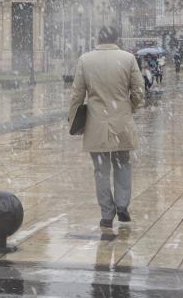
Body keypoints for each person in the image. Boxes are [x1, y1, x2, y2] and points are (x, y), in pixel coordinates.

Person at [67, 26, 145, 229]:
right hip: (121, 121)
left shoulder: (86, 60)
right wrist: (130, 108)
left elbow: (77, 95)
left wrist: (73, 119)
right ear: (117, 38)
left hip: (96, 123)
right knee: (123, 165)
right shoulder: (128, 59)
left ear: (98, 38)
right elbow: (138, 90)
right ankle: (122, 205)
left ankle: (106, 213)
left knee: (101, 170)